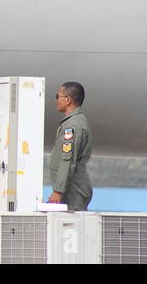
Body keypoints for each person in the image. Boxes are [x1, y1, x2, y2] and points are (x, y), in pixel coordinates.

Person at [48, 82, 93, 211]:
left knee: (73, 229)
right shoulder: (73, 122)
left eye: (58, 96)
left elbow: (68, 159)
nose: (56, 100)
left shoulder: (73, 126)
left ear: (67, 100)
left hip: (73, 190)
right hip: (70, 188)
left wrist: (58, 190)